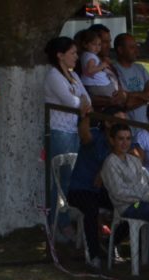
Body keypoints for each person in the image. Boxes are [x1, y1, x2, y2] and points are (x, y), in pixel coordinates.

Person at [65, 107, 124, 268]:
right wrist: (85, 116)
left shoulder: (122, 144)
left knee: (129, 206)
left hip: (102, 191)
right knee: (91, 210)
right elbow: (85, 136)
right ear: (107, 123)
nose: (123, 126)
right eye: (119, 122)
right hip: (81, 189)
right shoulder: (96, 137)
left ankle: (110, 242)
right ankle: (93, 255)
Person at [43, 36, 91, 227]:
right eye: (72, 53)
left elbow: (87, 101)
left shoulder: (74, 76)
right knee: (58, 179)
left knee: (69, 179)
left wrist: (80, 101)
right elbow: (72, 102)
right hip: (58, 131)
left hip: (72, 131)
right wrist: (79, 101)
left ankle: (63, 220)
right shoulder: (54, 76)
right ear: (60, 55)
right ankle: (56, 224)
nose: (76, 57)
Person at [101, 121, 149, 238]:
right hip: (128, 206)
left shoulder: (134, 160)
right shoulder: (110, 163)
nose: (125, 143)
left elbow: (144, 185)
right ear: (112, 141)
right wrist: (148, 198)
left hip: (140, 203)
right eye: (121, 139)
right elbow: (119, 193)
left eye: (128, 138)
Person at [113, 33, 149, 123]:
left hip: (147, 128)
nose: (137, 51)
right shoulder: (114, 70)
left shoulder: (140, 68)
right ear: (120, 50)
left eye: (136, 47)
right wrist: (148, 95)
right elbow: (127, 103)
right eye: (132, 47)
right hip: (128, 131)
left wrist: (135, 95)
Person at [76, 28, 114, 98]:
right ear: (85, 44)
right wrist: (102, 65)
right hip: (99, 85)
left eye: (99, 45)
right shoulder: (90, 56)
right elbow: (90, 70)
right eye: (94, 44)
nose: (97, 48)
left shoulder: (86, 55)